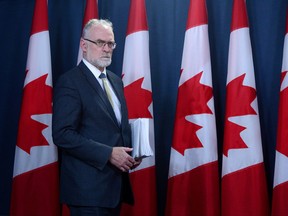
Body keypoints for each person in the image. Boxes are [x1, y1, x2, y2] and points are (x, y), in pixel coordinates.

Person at [52, 19, 141, 216]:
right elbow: (62, 134)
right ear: (84, 45)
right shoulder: (70, 81)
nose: (106, 49)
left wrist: (130, 154)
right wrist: (109, 153)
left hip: (114, 189)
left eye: (111, 44)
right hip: (87, 192)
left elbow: (112, 129)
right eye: (100, 43)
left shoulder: (116, 81)